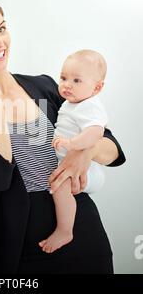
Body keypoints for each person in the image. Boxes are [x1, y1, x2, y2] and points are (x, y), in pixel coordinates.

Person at [0, 0, 126, 274]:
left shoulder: (46, 86)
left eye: (1, 28)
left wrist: (84, 152)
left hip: (83, 233)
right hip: (22, 248)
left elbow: (114, 149)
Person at [40, 49, 109, 254]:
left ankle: (64, 230)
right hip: (73, 164)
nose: (67, 84)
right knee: (59, 182)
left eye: (77, 80)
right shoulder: (73, 103)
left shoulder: (89, 106)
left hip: (86, 171)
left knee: (60, 185)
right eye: (63, 78)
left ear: (96, 88)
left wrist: (72, 144)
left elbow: (96, 132)